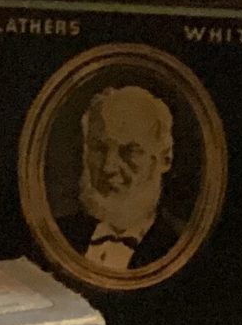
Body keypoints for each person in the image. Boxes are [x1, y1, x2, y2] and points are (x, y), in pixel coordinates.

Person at [55, 84, 182, 274]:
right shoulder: (59, 237)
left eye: (129, 151)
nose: (108, 167)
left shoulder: (176, 246)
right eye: (99, 149)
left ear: (165, 158)